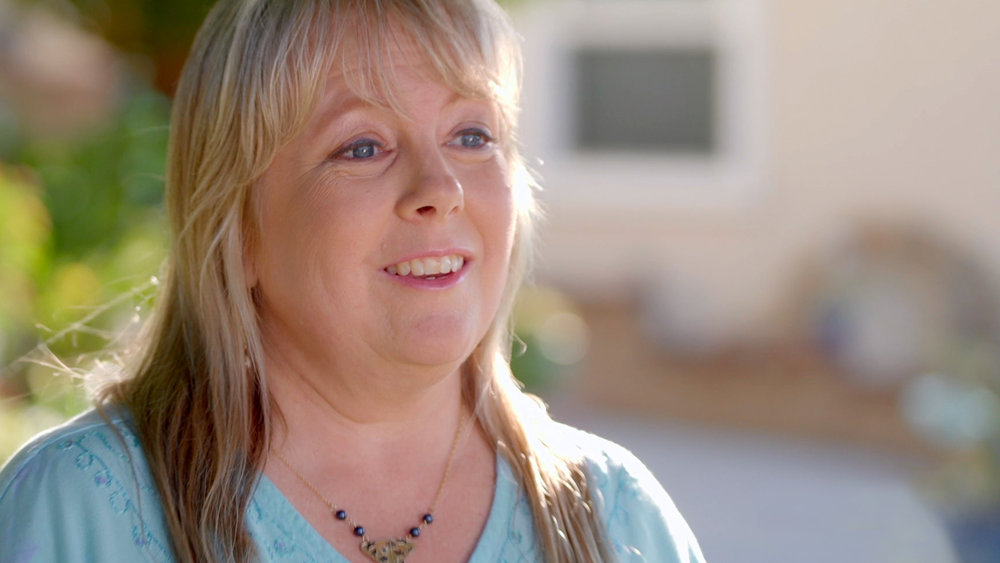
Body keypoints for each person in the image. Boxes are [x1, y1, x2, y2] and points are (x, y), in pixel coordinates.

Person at [0, 1, 705, 561]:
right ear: (236, 231)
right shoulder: (74, 513)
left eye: (472, 135)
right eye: (362, 146)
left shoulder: (617, 520)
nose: (442, 189)